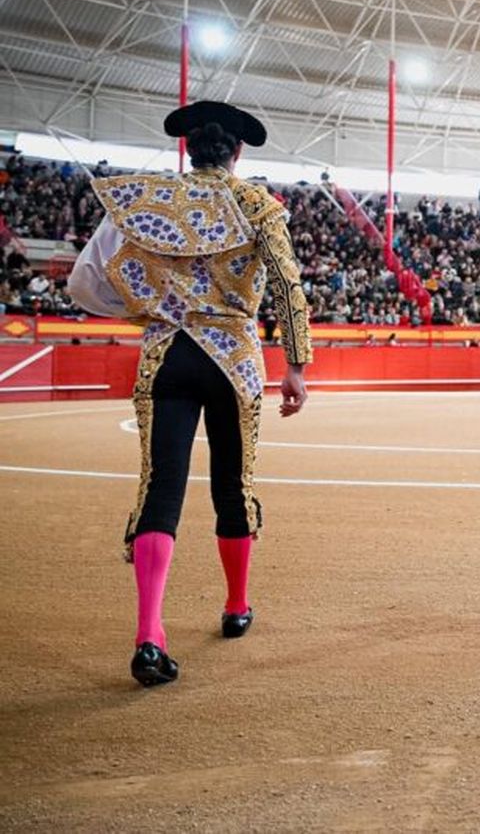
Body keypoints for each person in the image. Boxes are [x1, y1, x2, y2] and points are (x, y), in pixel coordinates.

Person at [67, 101, 313, 688]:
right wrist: (298, 365)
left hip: (166, 355)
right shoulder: (258, 204)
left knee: (160, 488)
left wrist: (148, 313)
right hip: (231, 358)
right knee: (234, 482)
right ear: (238, 153)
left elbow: (84, 282)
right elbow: (286, 284)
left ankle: (150, 634)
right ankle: (235, 606)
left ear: (189, 149)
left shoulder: (145, 200)